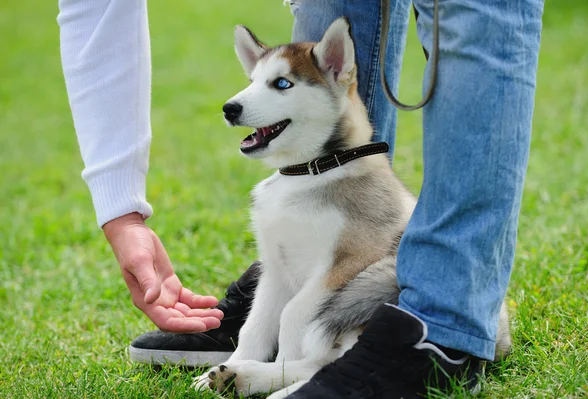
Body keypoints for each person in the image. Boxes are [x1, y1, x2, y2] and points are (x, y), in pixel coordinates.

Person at [58, 0, 543, 397]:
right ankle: (268, 358)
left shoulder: (357, 184)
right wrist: (121, 215)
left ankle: (444, 325)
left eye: (280, 85)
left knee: (473, 9)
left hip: (368, 286)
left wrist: (293, 330)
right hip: (320, 250)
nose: (245, 96)